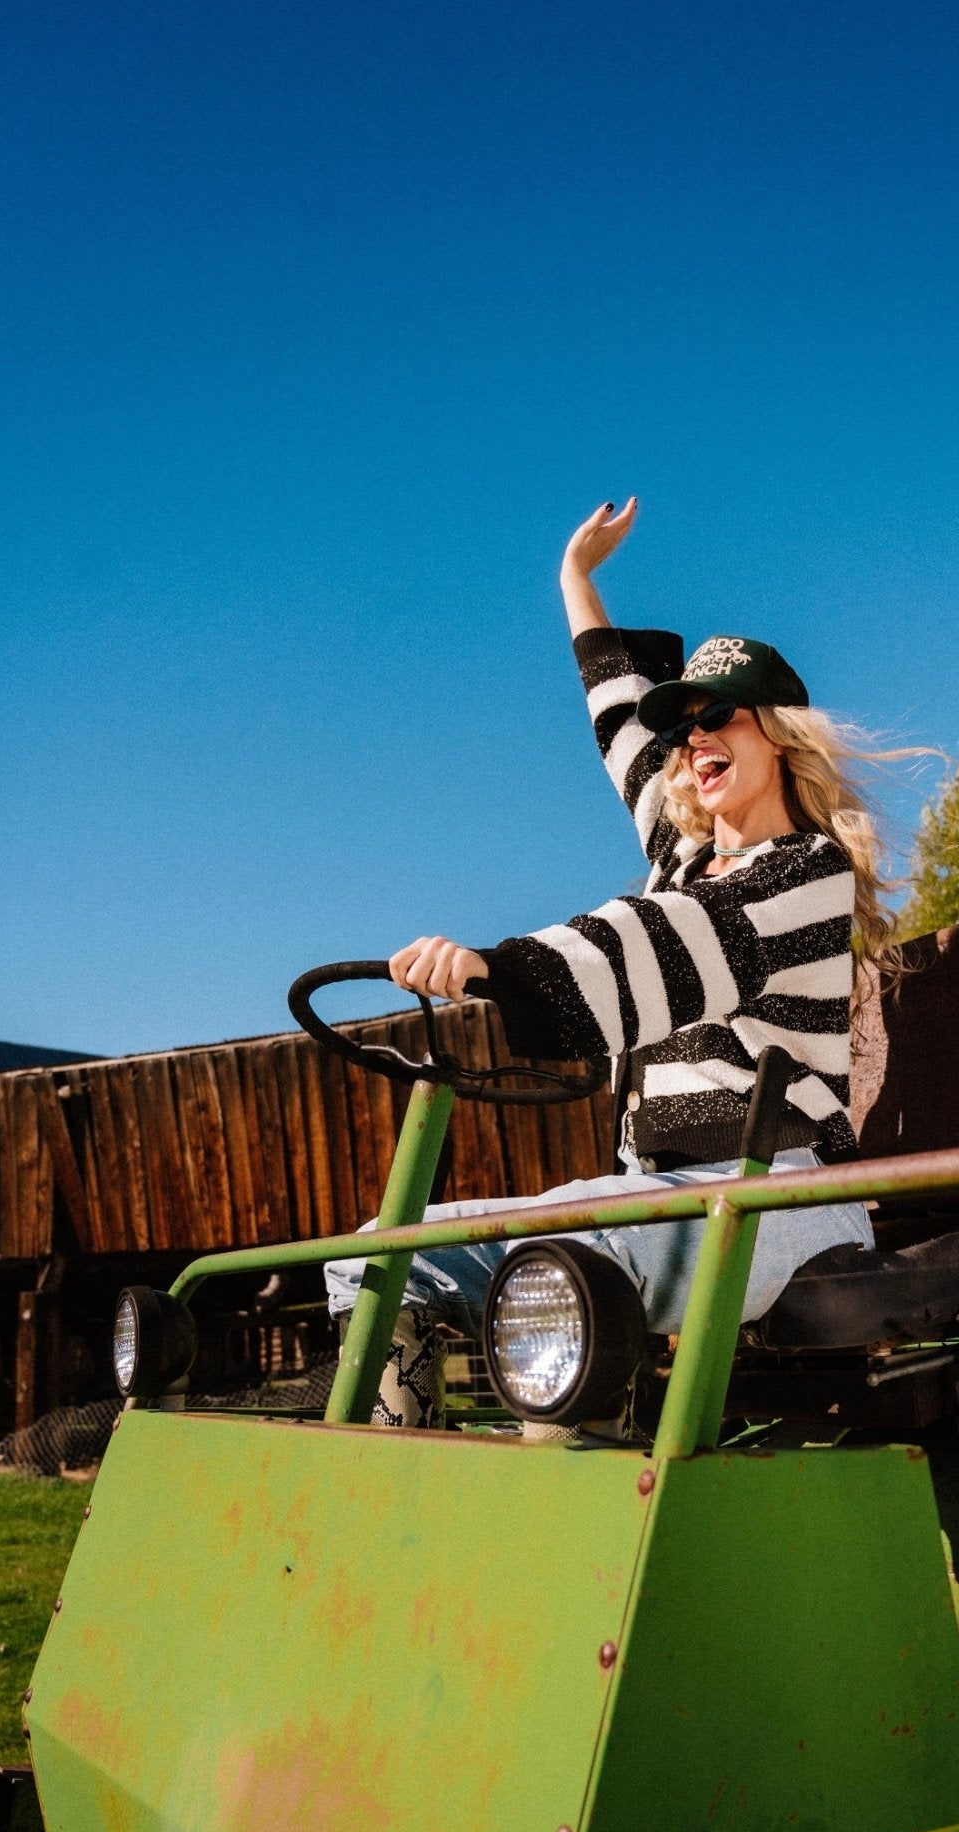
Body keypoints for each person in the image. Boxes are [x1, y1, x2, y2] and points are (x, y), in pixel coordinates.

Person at [326, 499, 898, 1430]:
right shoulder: (680, 854)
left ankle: (568, 1506)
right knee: (373, 1256)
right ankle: (385, 1472)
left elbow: (665, 944)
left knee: (565, 1265)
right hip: (656, 1192)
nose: (694, 739)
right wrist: (575, 583)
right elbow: (620, 726)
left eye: (722, 717)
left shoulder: (807, 874)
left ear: (780, 735)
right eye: (685, 729)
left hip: (782, 1191)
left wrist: (496, 969)